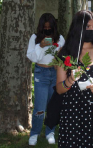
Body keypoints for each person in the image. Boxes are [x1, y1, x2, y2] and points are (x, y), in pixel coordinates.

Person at [56, 10, 93, 148]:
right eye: (88, 27)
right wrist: (70, 79)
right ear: (78, 27)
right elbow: (59, 89)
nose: (92, 30)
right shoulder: (65, 54)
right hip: (71, 113)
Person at [26, 13, 65, 146]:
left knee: (52, 106)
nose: (47, 29)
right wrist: (41, 46)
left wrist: (58, 62)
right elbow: (32, 57)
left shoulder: (59, 39)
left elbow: (64, 56)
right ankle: (35, 133)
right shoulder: (35, 38)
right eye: (45, 27)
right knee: (40, 106)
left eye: (50, 27)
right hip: (40, 73)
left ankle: (50, 132)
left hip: (55, 74)